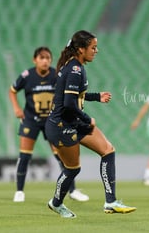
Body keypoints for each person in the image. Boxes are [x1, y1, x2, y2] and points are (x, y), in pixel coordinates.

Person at [45, 30, 136, 218]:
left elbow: (72, 96)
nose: (96, 51)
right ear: (80, 49)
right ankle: (56, 203)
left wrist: (96, 97)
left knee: (108, 150)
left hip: (74, 122)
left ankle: (111, 201)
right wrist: (88, 119)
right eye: (93, 47)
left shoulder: (74, 66)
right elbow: (69, 104)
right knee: (73, 169)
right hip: (62, 126)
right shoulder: (75, 69)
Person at [9, 46, 89, 202]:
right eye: (42, 58)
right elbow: (12, 90)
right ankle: (19, 191)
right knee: (24, 156)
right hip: (31, 120)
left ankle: (72, 190)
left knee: (61, 156)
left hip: (52, 120)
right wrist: (16, 108)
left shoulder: (56, 74)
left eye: (48, 58)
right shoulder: (27, 76)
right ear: (35, 60)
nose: (45, 61)